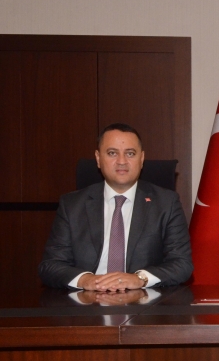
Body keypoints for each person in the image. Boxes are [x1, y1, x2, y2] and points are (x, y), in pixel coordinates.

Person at [38, 123, 193, 290]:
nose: (121, 161)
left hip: (142, 300)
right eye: (112, 153)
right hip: (87, 299)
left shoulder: (166, 203)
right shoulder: (72, 205)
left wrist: (139, 279)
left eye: (130, 153)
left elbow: (182, 264)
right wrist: (86, 280)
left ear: (141, 159)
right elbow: (51, 265)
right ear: (98, 158)